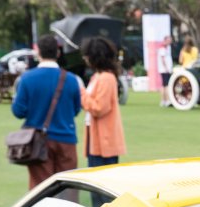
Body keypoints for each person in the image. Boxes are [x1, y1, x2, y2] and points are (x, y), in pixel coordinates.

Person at [11, 33, 84, 191]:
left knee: (41, 190)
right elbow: (76, 109)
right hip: (66, 137)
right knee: (68, 189)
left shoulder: (27, 78)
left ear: (38, 52)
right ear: (58, 53)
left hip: (38, 139)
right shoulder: (71, 79)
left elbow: (18, 111)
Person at [80, 36, 126, 167]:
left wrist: (81, 93)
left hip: (104, 141)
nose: (85, 58)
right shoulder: (97, 76)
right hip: (95, 137)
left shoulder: (106, 78)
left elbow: (99, 108)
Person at [157, 41, 173, 107]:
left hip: (165, 70)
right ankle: (166, 100)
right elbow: (163, 59)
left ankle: (164, 101)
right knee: (166, 86)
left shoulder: (165, 49)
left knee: (164, 85)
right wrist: (167, 69)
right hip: (165, 71)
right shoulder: (162, 49)